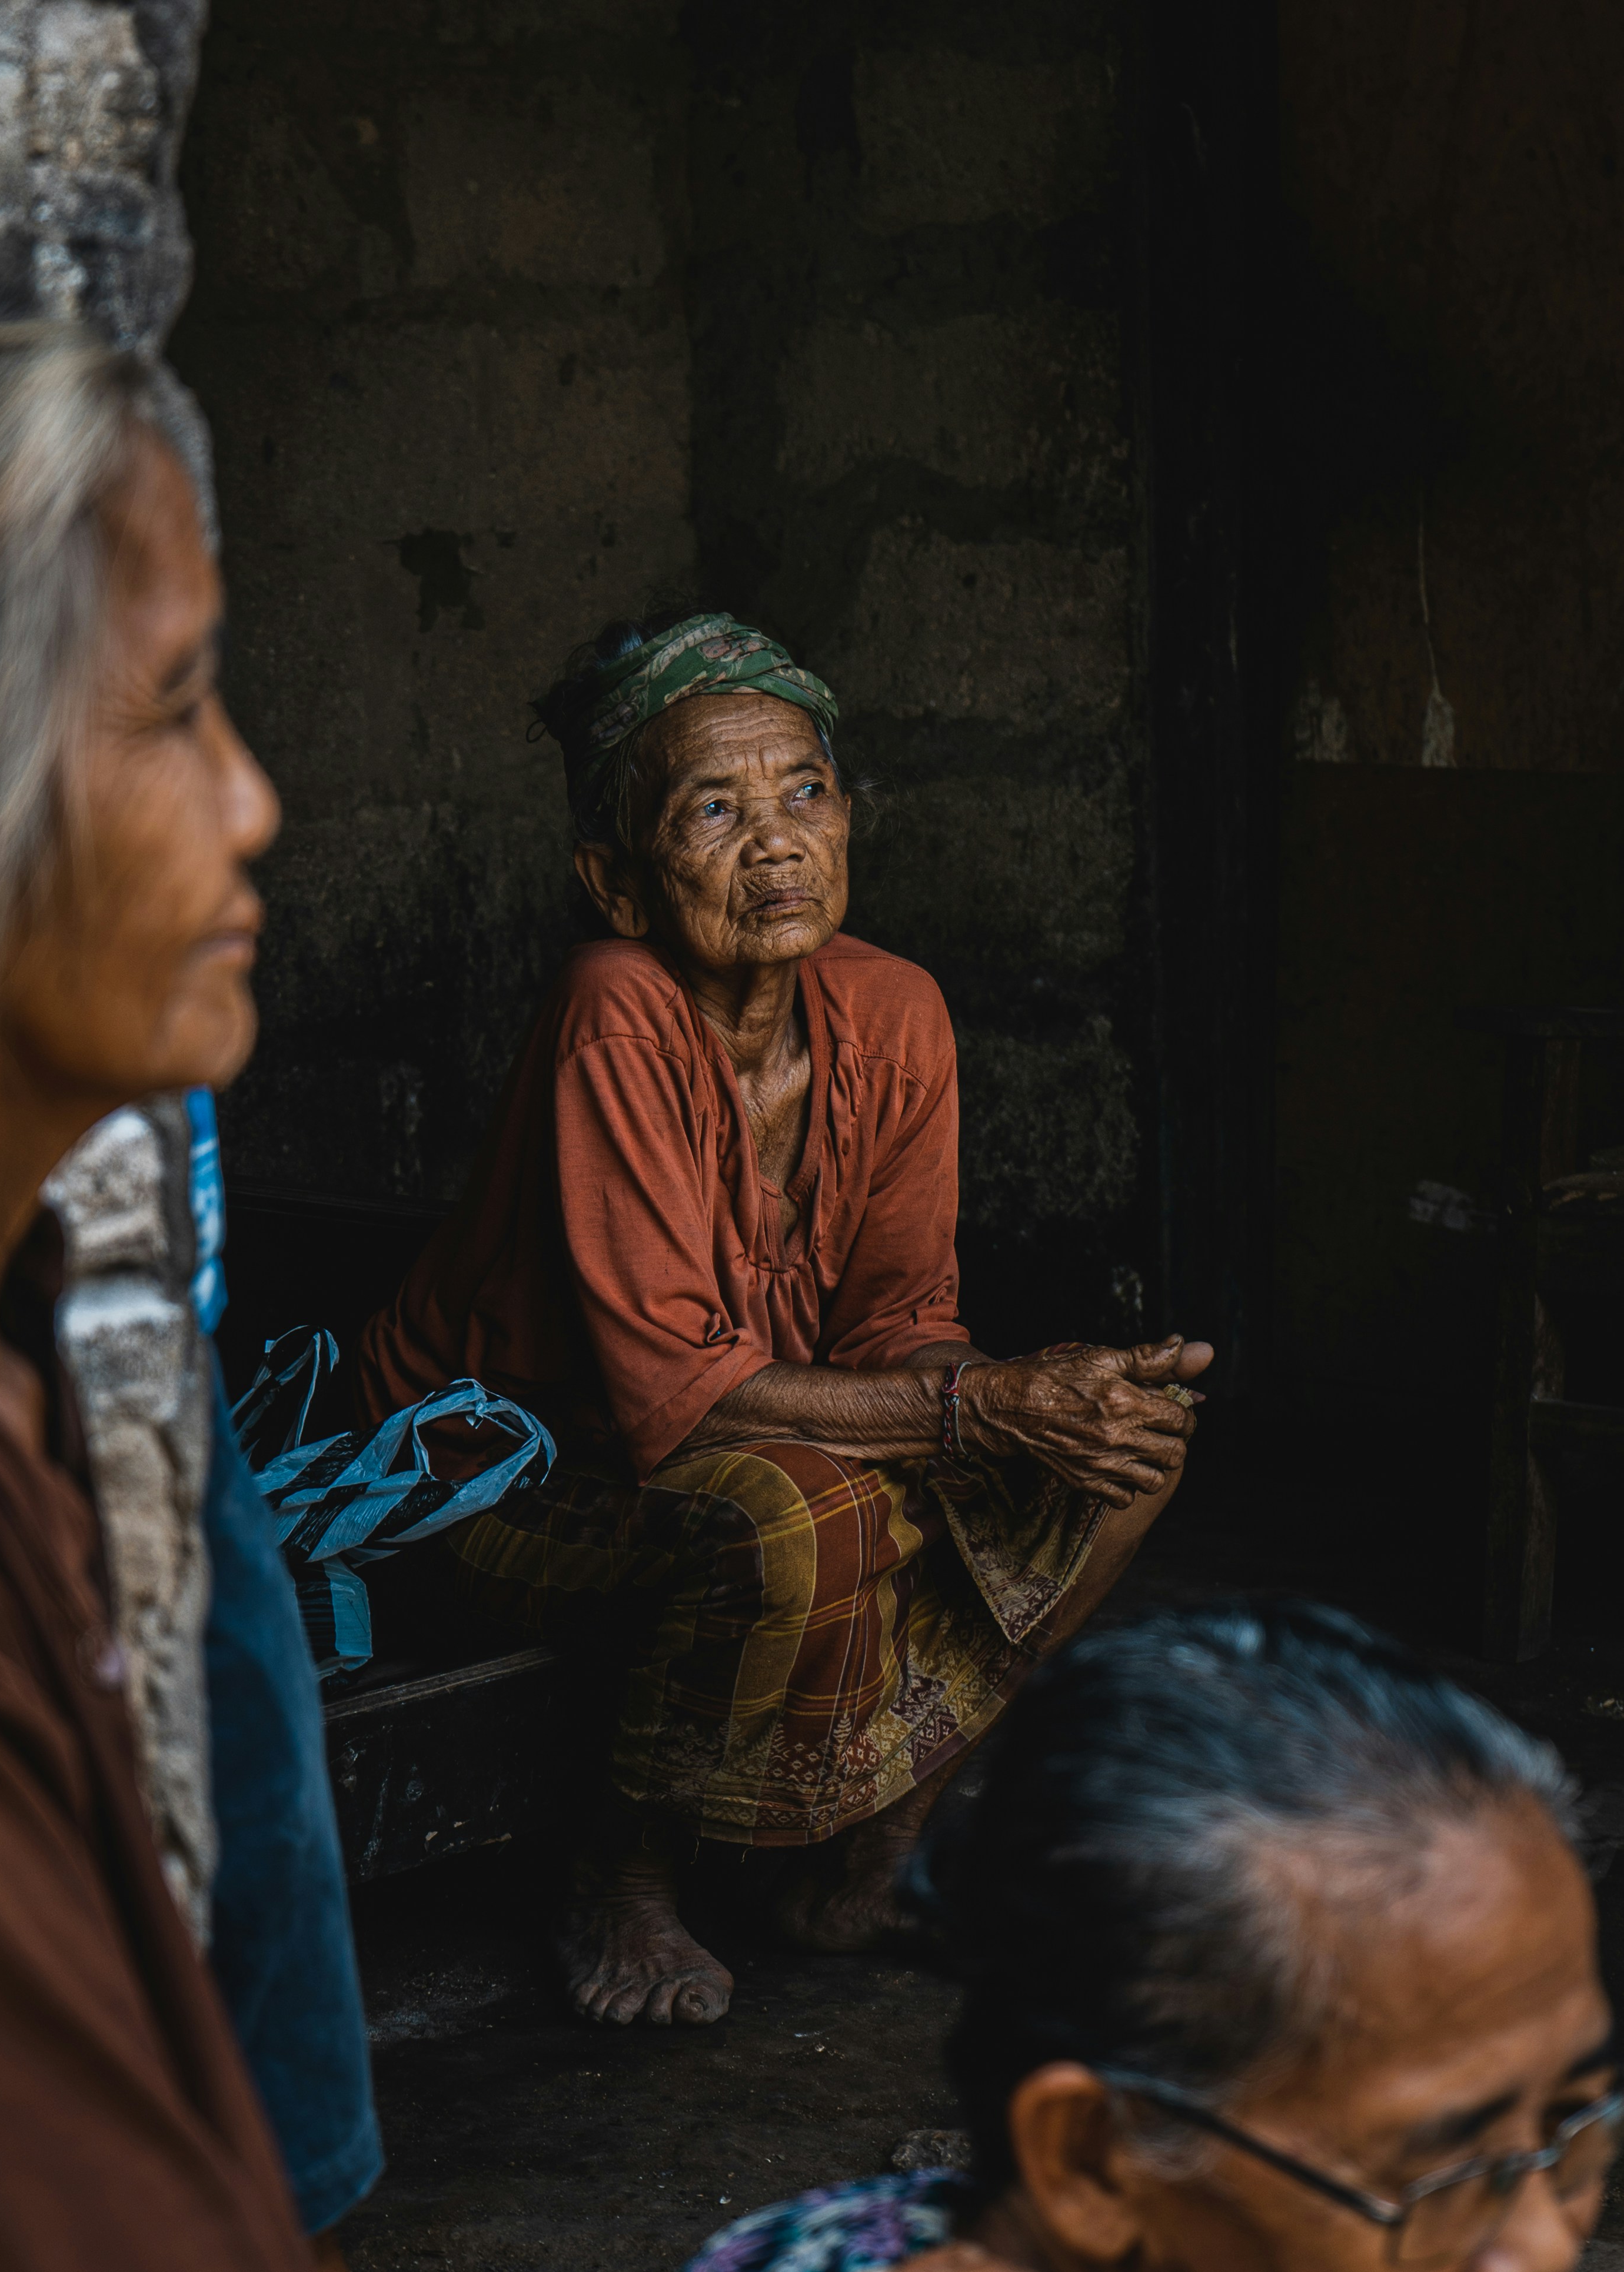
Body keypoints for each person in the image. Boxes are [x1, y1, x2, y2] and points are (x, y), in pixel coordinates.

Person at [0, 235, 1070, 2272]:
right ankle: (646, 1844)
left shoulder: (44, 1463)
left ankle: (839, 1833)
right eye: (176, 709)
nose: (263, 796)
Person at [497, 1599, 1617, 2272]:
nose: (1534, 2257)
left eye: (1573, 2123)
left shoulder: (801, 2260)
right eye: (1438, 2171)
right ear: (1088, 2161)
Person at [360, 609, 1213, 2027]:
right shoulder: (613, 1005)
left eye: (804, 792)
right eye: (714, 809)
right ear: (617, 882)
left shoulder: (894, 1011)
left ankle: (867, 1862)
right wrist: (979, 1406)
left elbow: (897, 1324)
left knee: (1129, 1449)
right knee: (802, 1516)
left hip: (746, 1441)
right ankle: (619, 1876)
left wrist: (1037, 1397)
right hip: (490, 1474)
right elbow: (668, 1399)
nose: (776, 841)